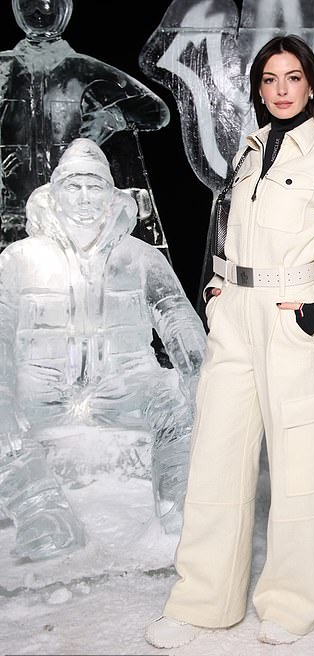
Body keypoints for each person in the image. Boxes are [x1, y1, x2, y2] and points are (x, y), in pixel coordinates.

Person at [144, 34, 314, 648]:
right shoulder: (249, 156)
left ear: (311, 85)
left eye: (293, 78)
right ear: (257, 88)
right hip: (234, 319)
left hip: (290, 320)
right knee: (215, 461)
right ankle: (203, 601)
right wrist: (218, 291)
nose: (281, 90)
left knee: (298, 467)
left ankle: (290, 603)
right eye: (270, 79)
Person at [0, 138, 207, 560]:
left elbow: (178, 318)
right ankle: (41, 510)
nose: (84, 199)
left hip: (126, 384)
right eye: (74, 187)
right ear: (53, 194)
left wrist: (200, 371)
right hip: (41, 389)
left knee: (180, 404)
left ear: (112, 195)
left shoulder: (141, 257)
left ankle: (182, 503)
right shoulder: (18, 259)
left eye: (95, 188)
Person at [0, 0, 170, 254]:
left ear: (65, 8)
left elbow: (157, 111)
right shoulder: (4, 68)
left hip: (73, 213)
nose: (37, 11)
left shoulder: (84, 70)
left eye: (47, 4)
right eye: (28, 4)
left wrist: (113, 117)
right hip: (10, 213)